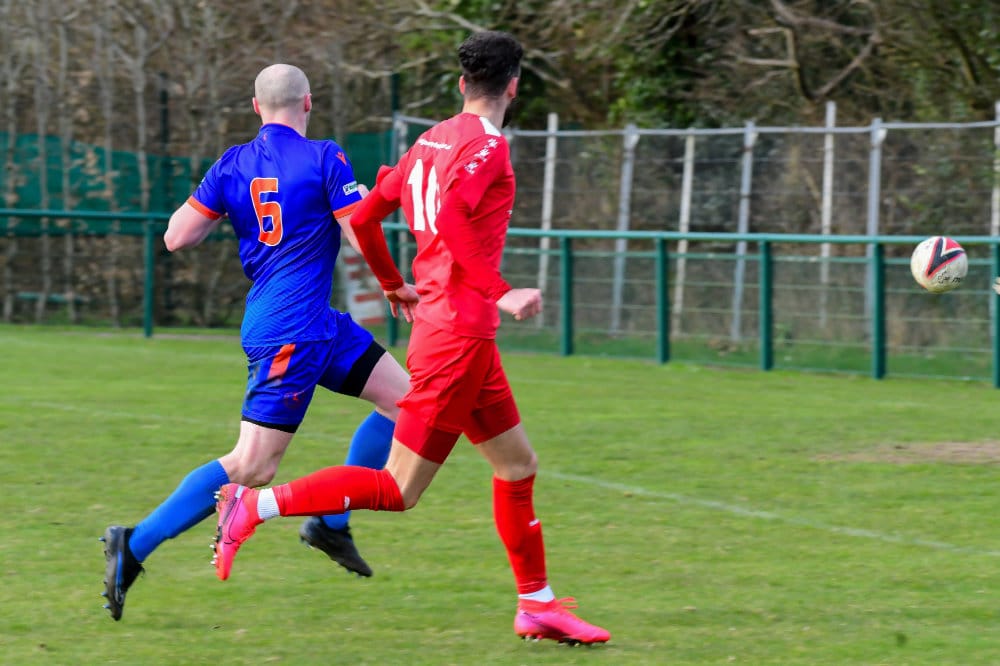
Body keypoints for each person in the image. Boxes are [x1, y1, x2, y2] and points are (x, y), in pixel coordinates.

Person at [211, 32, 610, 646]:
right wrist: (500, 290)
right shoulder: (488, 147)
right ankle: (254, 506)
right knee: (399, 487)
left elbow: (370, 214)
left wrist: (393, 283)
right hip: (457, 338)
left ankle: (537, 605)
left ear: (462, 84)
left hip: (456, 333)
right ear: (513, 87)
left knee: (516, 464)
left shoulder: (431, 140)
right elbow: (451, 217)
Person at [100, 63, 411, 621]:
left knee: (407, 403)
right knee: (252, 466)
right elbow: (357, 231)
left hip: (316, 324)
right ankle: (134, 544)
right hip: (289, 333)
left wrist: (225, 203)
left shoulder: (231, 164)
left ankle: (331, 525)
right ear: (308, 103)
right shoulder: (326, 157)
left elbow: (176, 237)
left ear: (255, 107)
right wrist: (383, 248)